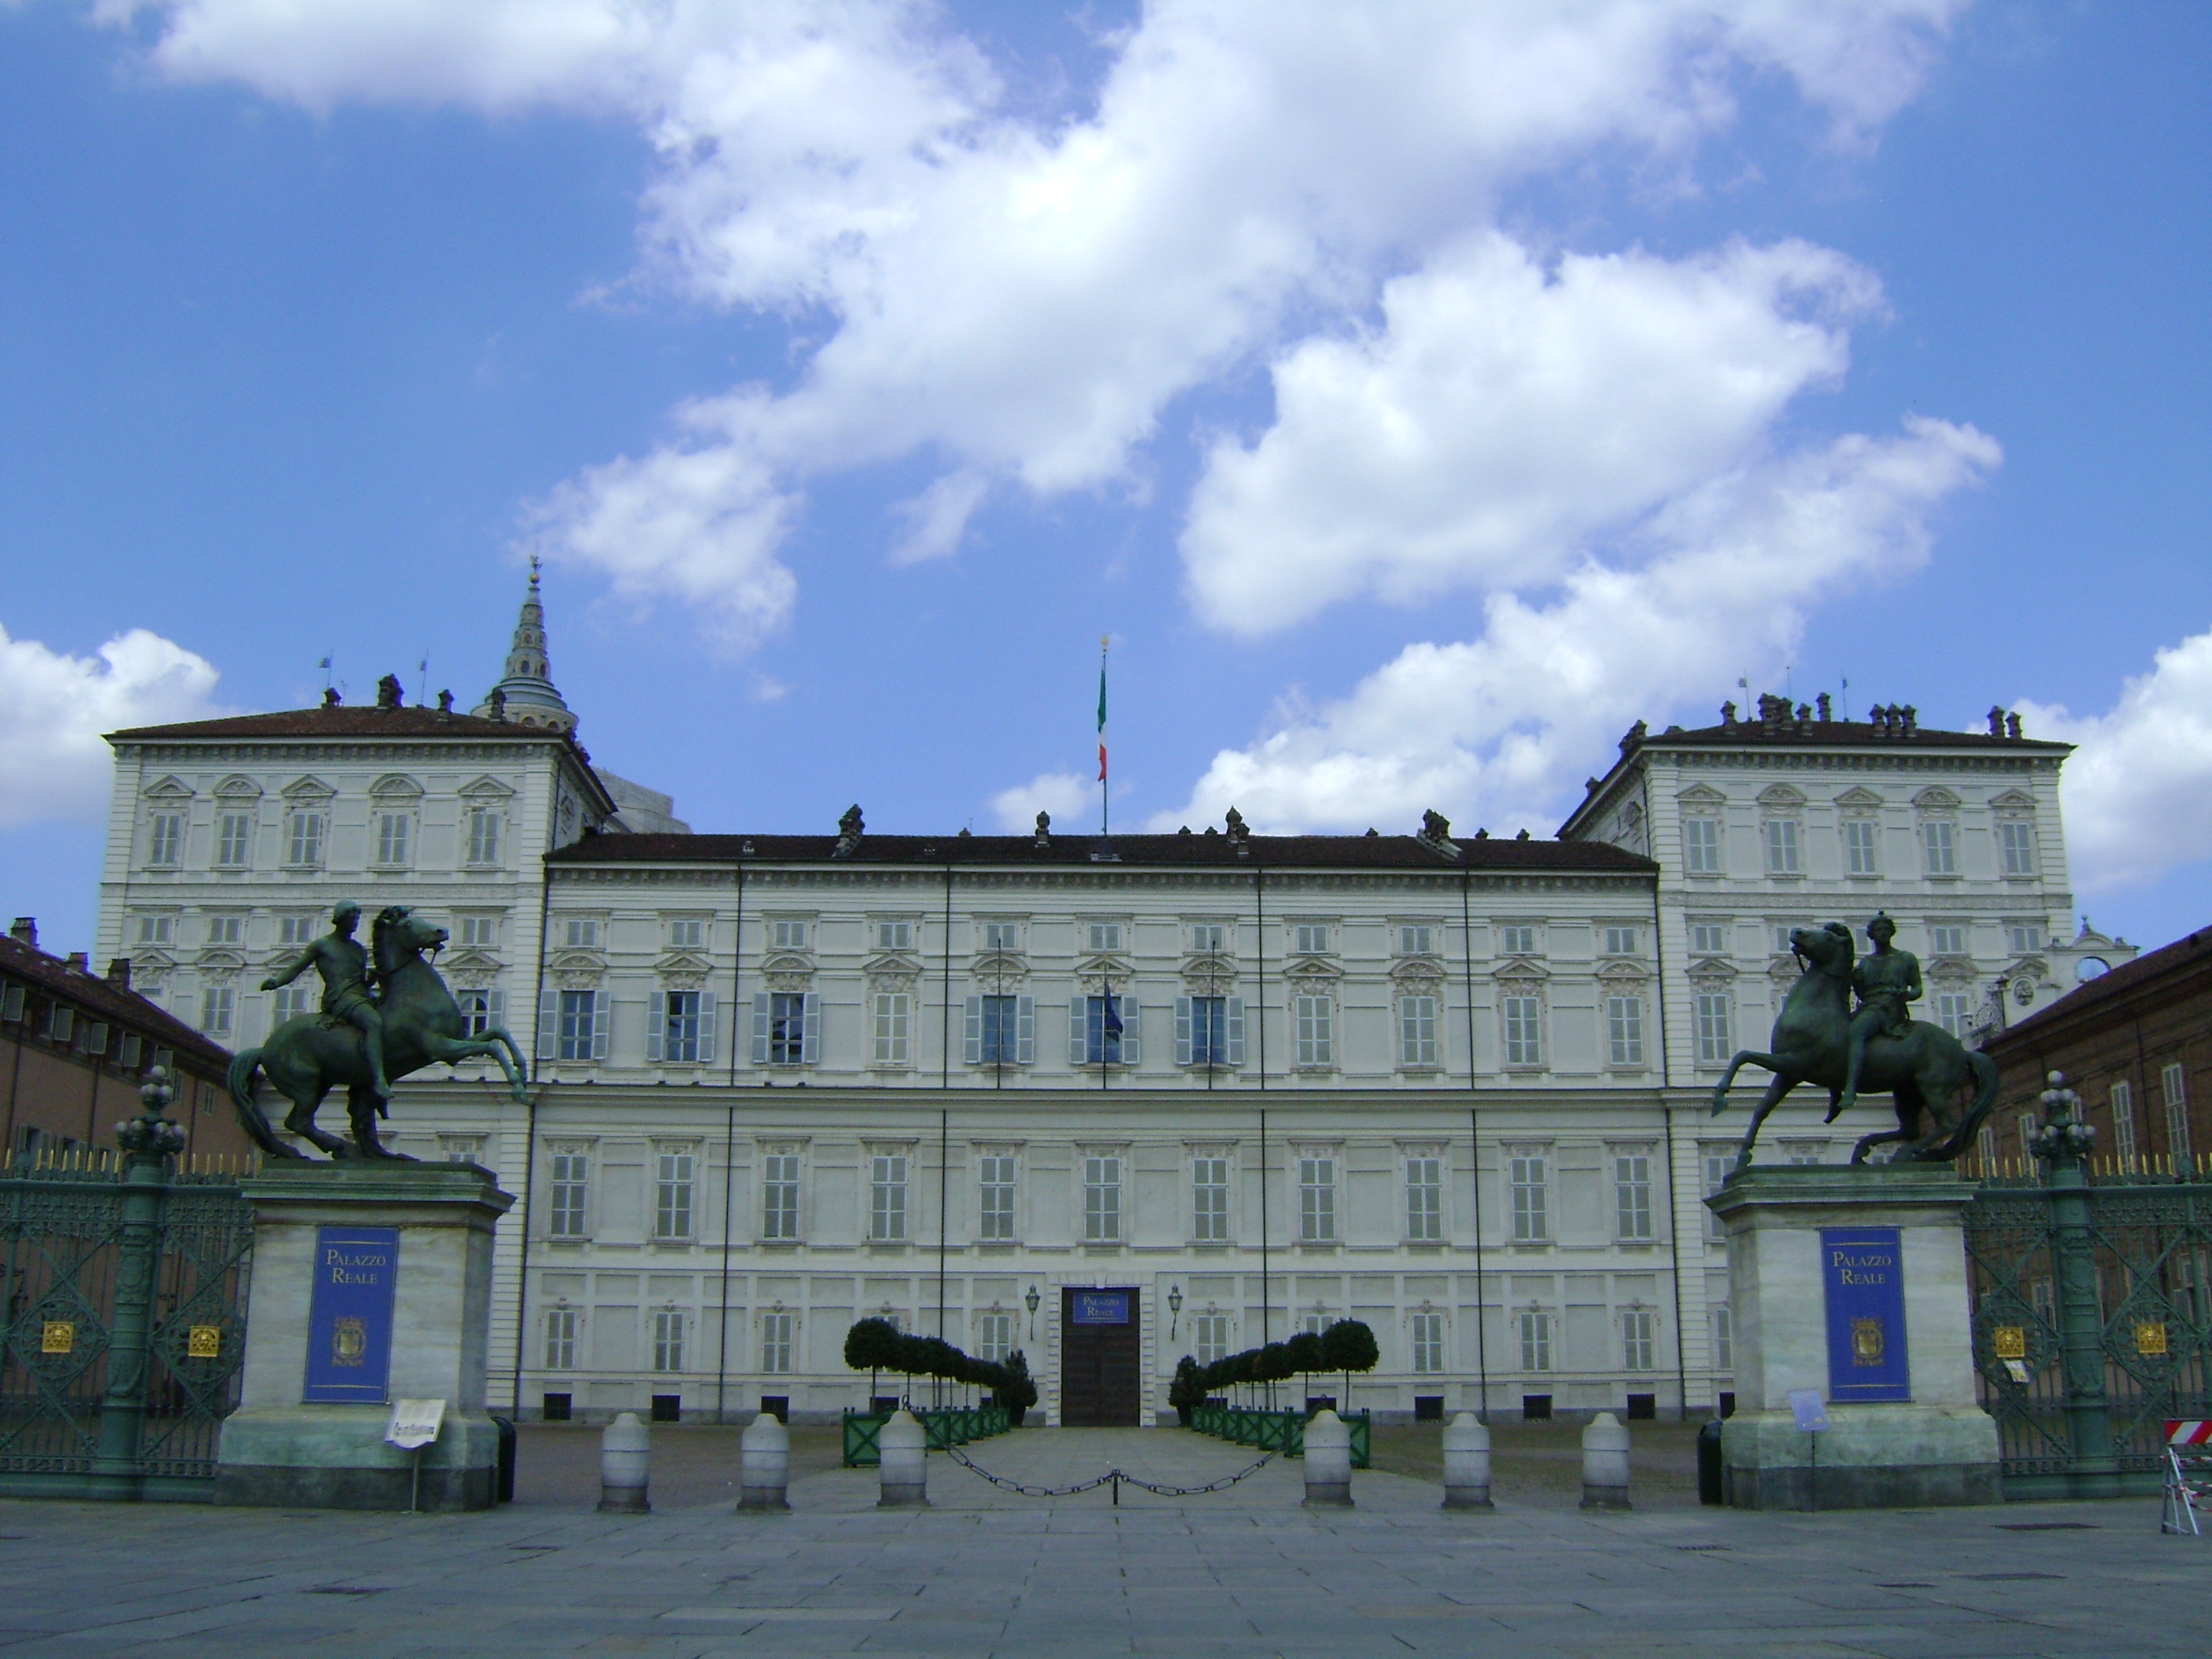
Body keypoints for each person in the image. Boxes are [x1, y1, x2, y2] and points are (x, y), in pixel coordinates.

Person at [261, 901, 392, 1099]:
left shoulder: (359, 949)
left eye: (357, 919)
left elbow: (362, 981)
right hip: (340, 997)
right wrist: (277, 982)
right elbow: (297, 968)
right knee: (373, 1022)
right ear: (340, 920)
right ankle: (378, 1080)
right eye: (351, 918)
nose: (355, 923)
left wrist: (372, 978)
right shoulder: (322, 946)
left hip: (360, 995)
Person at [1838, 912, 1921, 1112]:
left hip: (1889, 1007)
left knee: (1857, 1031)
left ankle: (1850, 1089)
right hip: (1868, 1005)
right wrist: (1856, 982)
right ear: (1871, 935)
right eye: (1878, 930)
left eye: (1885, 929)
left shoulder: (1905, 958)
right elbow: (1860, 993)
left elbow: (1917, 988)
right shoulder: (1866, 963)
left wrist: (1906, 995)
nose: (1882, 933)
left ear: (1892, 932)